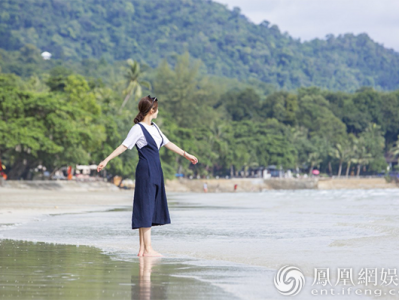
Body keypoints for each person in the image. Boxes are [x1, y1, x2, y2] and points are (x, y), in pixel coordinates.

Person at [97, 95, 198, 257]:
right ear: (152, 110)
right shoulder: (138, 129)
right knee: (146, 206)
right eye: (157, 109)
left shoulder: (155, 127)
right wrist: (106, 160)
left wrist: (186, 154)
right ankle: (148, 248)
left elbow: (167, 143)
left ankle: (143, 250)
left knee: (148, 205)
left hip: (156, 170)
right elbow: (124, 146)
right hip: (146, 170)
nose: (158, 112)